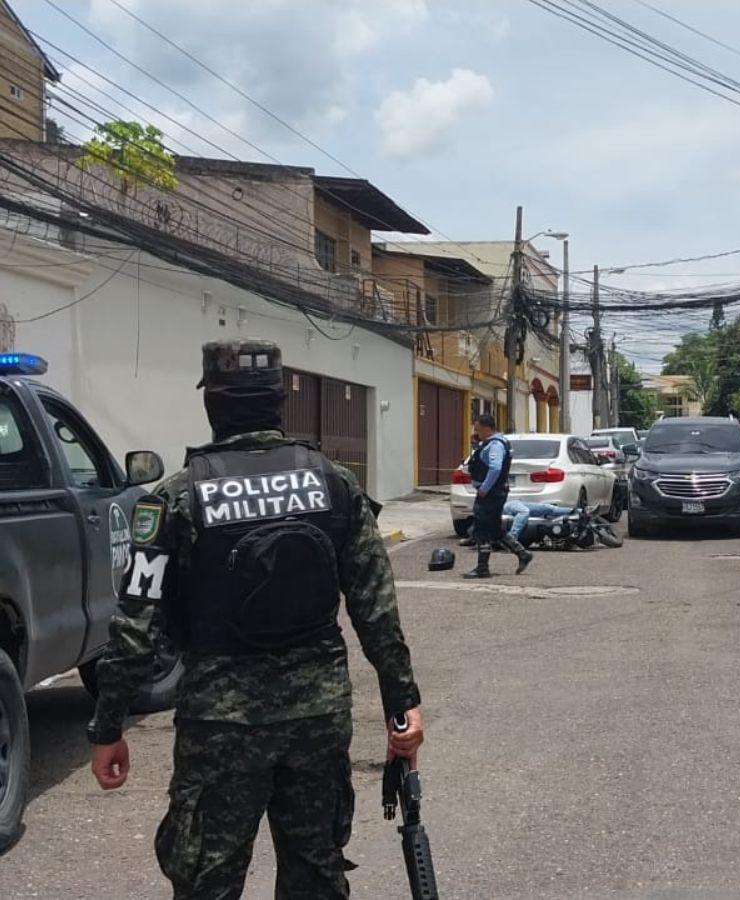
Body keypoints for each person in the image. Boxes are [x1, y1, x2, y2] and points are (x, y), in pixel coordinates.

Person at [87, 340, 424, 899]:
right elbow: (376, 608)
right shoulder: (334, 483)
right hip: (317, 719)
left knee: (207, 881)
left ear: (212, 405)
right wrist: (401, 705)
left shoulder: (174, 498)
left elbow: (135, 626)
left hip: (221, 726)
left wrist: (108, 727)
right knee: (316, 874)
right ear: (278, 402)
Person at [464, 414, 532, 578]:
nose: (476, 432)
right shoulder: (492, 442)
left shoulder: (495, 445)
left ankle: (482, 568)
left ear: (487, 428)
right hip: (495, 493)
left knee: (482, 529)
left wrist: (485, 488)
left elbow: (495, 468)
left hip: (490, 494)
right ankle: (522, 554)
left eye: (478, 429)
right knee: (494, 528)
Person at [504, 498, 575, 543]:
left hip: (515, 503)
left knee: (549, 508)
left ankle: (575, 511)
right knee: (524, 511)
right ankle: (512, 538)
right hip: (508, 505)